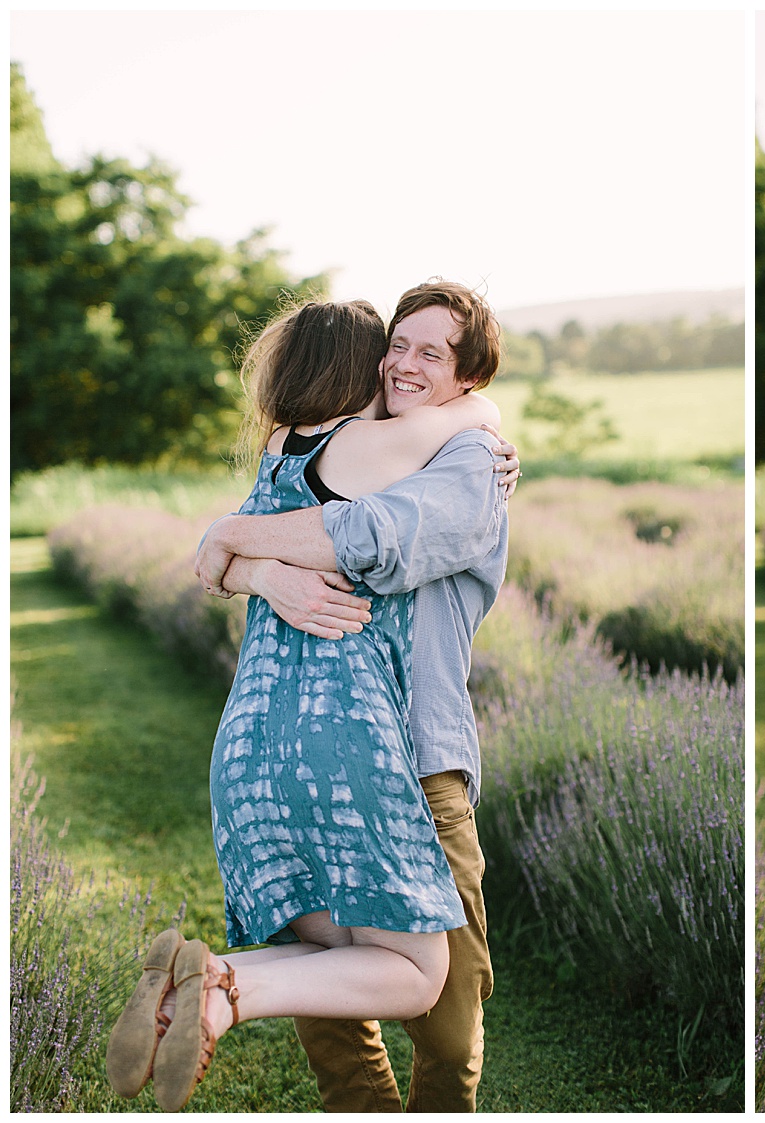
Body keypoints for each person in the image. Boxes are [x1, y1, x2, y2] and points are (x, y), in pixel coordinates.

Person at [105, 287, 510, 1113]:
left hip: (370, 749)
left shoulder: (466, 459)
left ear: (467, 375)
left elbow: (365, 538)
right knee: (404, 974)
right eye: (395, 347)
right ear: (362, 363)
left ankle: (210, 987)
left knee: (444, 1008)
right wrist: (245, 560)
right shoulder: (394, 440)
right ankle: (227, 996)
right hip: (358, 741)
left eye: (431, 353)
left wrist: (231, 543)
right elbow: (346, 528)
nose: (403, 364)